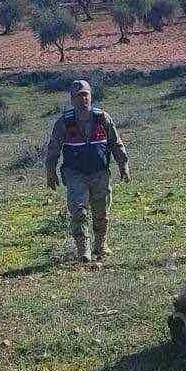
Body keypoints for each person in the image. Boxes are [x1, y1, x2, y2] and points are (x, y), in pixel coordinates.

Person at [45, 80, 130, 261]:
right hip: (75, 174)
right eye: (78, 96)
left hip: (100, 172)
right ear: (72, 99)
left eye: (85, 95)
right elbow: (53, 149)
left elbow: (116, 143)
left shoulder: (102, 118)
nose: (83, 99)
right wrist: (50, 171)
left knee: (101, 211)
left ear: (91, 96)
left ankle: (100, 245)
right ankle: (83, 249)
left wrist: (123, 165)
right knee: (79, 211)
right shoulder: (64, 122)